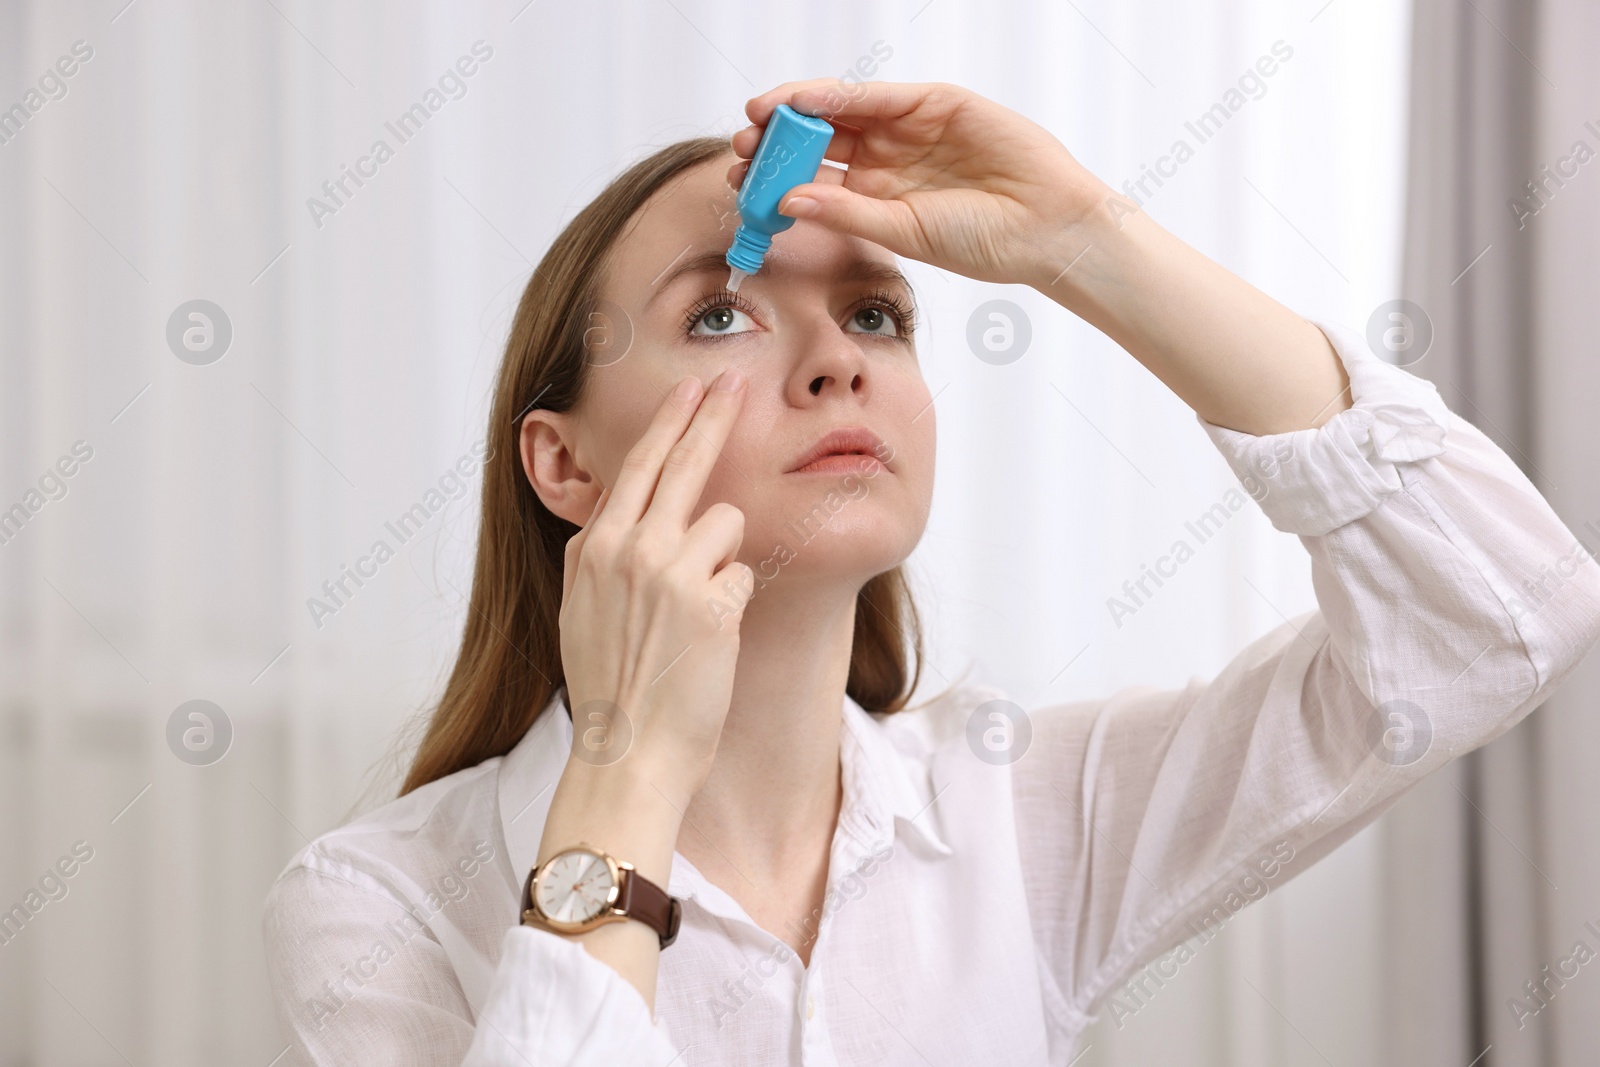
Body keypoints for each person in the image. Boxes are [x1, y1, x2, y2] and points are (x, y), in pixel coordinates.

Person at [261, 79, 1600, 1065]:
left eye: (876, 315)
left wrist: (1085, 236)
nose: (841, 360)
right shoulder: (376, 906)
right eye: (720, 310)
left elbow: (1502, 614)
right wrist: (622, 765)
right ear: (565, 468)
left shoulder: (1025, 820)